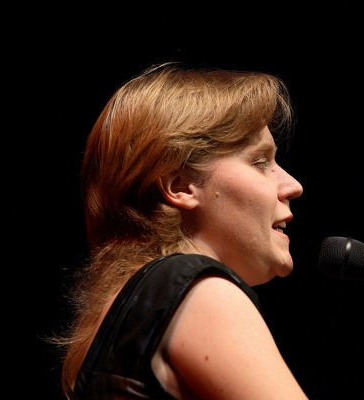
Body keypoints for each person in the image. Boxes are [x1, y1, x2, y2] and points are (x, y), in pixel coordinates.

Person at [52, 61, 307, 399]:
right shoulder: (202, 294)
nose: (293, 186)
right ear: (181, 185)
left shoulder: (122, 314)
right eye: (260, 162)